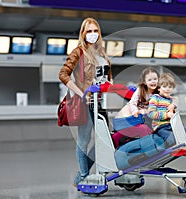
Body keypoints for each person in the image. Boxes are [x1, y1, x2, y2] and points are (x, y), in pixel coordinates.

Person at [59, 17, 112, 187]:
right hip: (86, 103)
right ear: (83, 34)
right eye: (89, 31)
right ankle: (83, 175)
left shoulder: (103, 53)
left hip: (101, 103)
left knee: (106, 139)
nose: (93, 34)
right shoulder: (78, 52)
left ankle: (82, 174)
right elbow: (63, 74)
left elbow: (107, 77)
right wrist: (82, 93)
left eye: (95, 30)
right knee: (84, 140)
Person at [148, 73, 186, 147]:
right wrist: (167, 115)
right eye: (164, 86)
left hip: (172, 125)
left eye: (170, 87)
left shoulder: (171, 99)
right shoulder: (155, 98)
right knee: (172, 140)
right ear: (159, 88)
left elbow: (176, 100)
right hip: (160, 127)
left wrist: (173, 105)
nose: (167, 89)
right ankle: (174, 148)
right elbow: (151, 114)